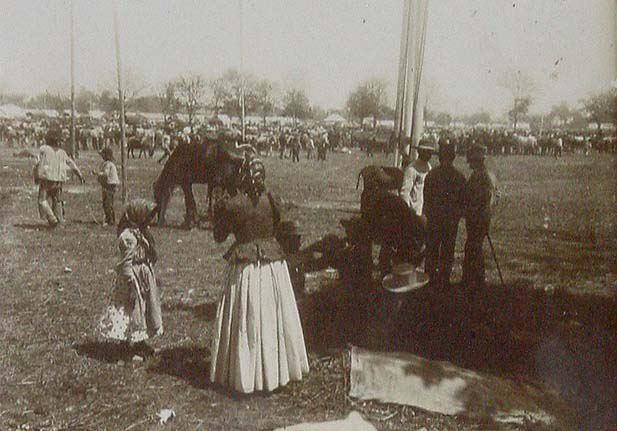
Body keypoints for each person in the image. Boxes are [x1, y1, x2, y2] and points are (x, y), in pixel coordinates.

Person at [209, 158, 309, 394]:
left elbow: (219, 236)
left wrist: (219, 207)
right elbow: (280, 226)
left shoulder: (232, 205)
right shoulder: (272, 200)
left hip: (247, 269)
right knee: (273, 316)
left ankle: (246, 373)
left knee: (248, 318)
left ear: (241, 178)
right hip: (272, 267)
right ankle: (275, 370)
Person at [98, 199, 163, 356]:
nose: (149, 222)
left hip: (143, 276)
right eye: (146, 218)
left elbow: (151, 254)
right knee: (130, 309)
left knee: (144, 309)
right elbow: (126, 263)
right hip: (132, 279)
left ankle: (140, 341)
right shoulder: (128, 237)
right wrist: (131, 282)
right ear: (137, 217)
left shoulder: (142, 233)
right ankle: (125, 343)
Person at [423, 142, 466, 288]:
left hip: (435, 219)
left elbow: (426, 199)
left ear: (440, 157)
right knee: (448, 250)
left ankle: (429, 278)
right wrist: (457, 215)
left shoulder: (431, 175)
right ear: (453, 158)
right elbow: (462, 202)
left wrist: (429, 214)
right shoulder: (459, 177)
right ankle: (444, 279)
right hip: (450, 221)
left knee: (432, 250)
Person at [33, 128, 85, 227]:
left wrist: (36, 176)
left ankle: (52, 219)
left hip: (46, 179)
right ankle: (59, 219)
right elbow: (71, 164)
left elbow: (36, 163)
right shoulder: (62, 152)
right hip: (59, 180)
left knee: (42, 200)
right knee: (56, 200)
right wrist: (80, 175)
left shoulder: (43, 149)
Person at [462, 144, 497, 290]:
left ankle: (474, 280)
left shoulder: (481, 176)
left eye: (471, 160)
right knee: (473, 248)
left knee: (473, 248)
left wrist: (478, 213)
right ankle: (473, 279)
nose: (469, 163)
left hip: (478, 218)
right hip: (480, 217)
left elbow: (486, 198)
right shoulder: (486, 174)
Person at [400, 140, 433, 216]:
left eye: (429, 152)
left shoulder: (429, 167)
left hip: (424, 210)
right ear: (419, 152)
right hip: (414, 211)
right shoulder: (412, 169)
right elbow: (405, 192)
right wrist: (408, 211)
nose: (428, 155)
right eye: (425, 152)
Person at [95, 147, 120, 226]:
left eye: (102, 154)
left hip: (109, 185)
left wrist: (97, 173)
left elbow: (106, 174)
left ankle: (109, 220)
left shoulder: (107, 164)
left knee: (107, 203)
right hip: (111, 185)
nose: (101, 156)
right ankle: (111, 219)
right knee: (109, 202)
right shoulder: (110, 163)